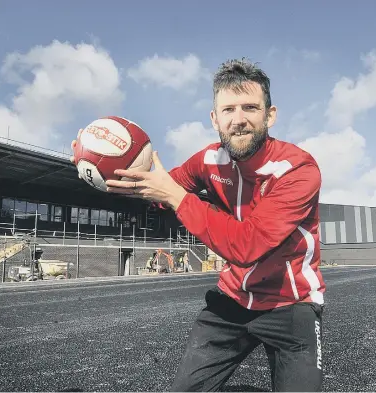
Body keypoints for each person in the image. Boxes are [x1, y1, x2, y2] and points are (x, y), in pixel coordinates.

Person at [71, 58, 326, 392]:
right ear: (214, 118)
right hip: (232, 299)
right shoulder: (208, 160)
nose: (239, 120)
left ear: (270, 115)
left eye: (250, 107)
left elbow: (246, 246)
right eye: (228, 109)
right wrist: (101, 166)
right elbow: (157, 192)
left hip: (291, 305)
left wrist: (176, 196)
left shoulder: (297, 170)